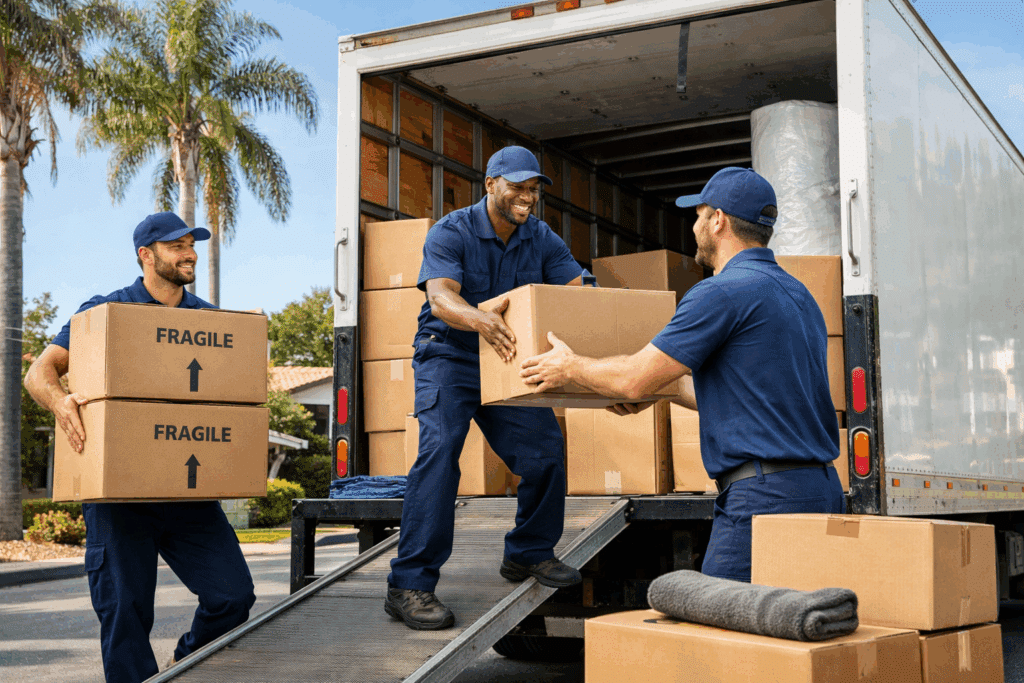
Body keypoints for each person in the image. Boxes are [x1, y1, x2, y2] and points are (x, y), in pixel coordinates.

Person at [519, 167, 845, 583]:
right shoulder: (799, 296)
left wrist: (570, 365)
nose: (693, 227)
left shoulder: (720, 292)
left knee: (724, 631)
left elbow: (632, 380)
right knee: (793, 632)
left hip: (763, 499)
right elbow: (750, 395)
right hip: (819, 490)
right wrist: (667, 388)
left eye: (698, 215)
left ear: (718, 220)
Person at [24, 212, 257, 682]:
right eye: (177, 246)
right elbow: (39, 373)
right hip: (119, 498)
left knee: (233, 596)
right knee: (126, 617)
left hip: (186, 495)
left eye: (192, 244)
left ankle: (184, 660)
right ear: (146, 255)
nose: (190, 253)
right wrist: (60, 402)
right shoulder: (107, 312)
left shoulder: (209, 322)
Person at [385, 146, 585, 630]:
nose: (528, 197)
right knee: (440, 452)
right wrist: (482, 320)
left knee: (545, 451)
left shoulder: (541, 237)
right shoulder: (452, 230)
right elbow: (440, 298)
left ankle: (528, 552)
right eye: (518, 186)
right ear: (491, 183)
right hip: (448, 353)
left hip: (503, 356)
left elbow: (575, 291)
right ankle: (409, 584)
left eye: (534, 189)